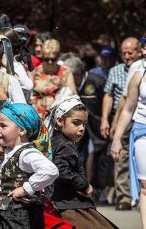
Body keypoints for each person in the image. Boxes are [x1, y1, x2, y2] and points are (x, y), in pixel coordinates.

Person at [49, 95, 117, 228]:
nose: (82, 128)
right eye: (76, 123)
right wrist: (84, 185)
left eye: (84, 124)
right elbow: (60, 170)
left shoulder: (60, 142)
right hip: (69, 205)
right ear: (60, 121)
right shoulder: (64, 146)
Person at [100, 37, 141, 208]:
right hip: (122, 116)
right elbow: (109, 96)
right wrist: (105, 120)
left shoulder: (140, 68)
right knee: (121, 156)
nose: (126, 56)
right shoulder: (116, 70)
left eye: (130, 52)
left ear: (139, 51)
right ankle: (123, 197)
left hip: (140, 115)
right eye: (123, 53)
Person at [111, 67, 146, 228]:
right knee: (145, 184)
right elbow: (128, 109)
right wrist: (117, 139)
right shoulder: (140, 74)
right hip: (142, 131)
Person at [31, 38, 76, 117]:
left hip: (56, 116)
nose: (50, 62)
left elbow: (74, 96)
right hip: (36, 115)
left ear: (58, 57)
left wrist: (62, 84)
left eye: (53, 59)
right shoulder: (35, 71)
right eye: (46, 59)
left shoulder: (66, 72)